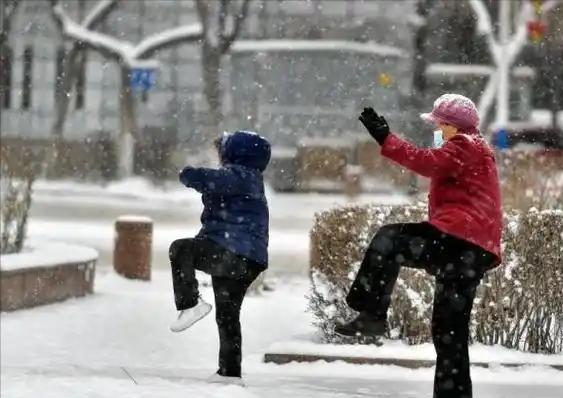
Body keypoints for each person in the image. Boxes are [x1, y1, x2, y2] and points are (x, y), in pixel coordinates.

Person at [335, 94, 502, 398]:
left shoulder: (465, 145)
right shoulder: (477, 148)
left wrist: (385, 138)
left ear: (452, 126)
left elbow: (425, 162)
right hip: (472, 251)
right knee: (449, 333)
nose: (436, 128)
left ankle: (371, 314)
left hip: (459, 241)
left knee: (389, 239)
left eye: (439, 123)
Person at [169, 130, 271, 384]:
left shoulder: (241, 176)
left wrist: (186, 173)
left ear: (237, 154)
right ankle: (229, 372)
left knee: (181, 249)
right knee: (227, 315)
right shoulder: (248, 178)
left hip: (234, 252)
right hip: (245, 258)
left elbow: (204, 178)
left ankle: (190, 303)